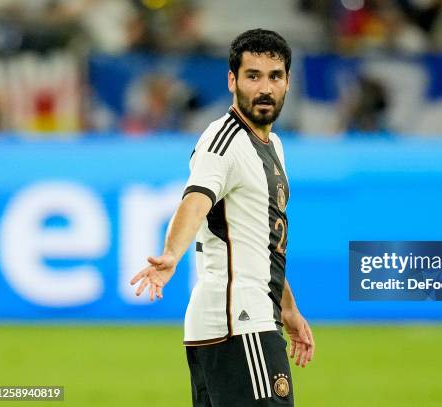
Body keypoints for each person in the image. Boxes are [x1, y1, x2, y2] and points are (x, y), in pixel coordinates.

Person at [129, 29, 314, 406]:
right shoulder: (223, 141)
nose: (264, 88)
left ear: (288, 82)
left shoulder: (272, 144)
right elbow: (196, 199)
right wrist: (171, 254)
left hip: (237, 320)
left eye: (274, 76)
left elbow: (260, 242)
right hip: (241, 323)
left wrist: (289, 308)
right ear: (232, 80)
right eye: (252, 76)